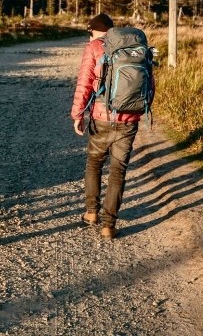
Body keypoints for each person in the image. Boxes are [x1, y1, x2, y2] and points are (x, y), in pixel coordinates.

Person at [70, 13, 140, 240]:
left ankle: (91, 213)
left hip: (102, 117)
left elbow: (84, 83)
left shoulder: (93, 47)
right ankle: (109, 226)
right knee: (118, 171)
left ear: (92, 30)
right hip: (129, 118)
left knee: (94, 164)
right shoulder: (133, 45)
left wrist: (78, 114)